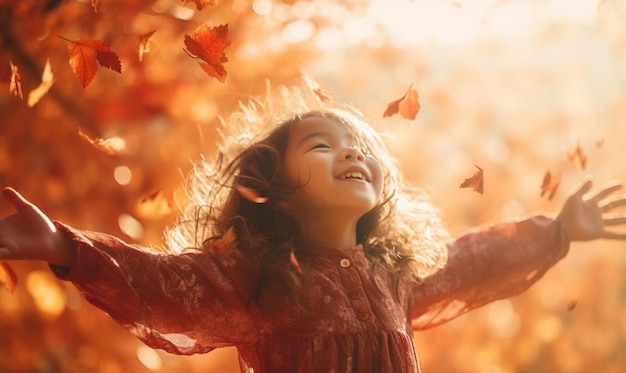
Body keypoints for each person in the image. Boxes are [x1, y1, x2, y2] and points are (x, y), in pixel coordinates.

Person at [1, 80, 626, 373]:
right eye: (322, 146)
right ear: (272, 191)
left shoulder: (395, 279)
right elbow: (158, 284)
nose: (350, 152)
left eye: (359, 146)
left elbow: (472, 261)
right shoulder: (259, 282)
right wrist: (63, 245)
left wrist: (558, 231)